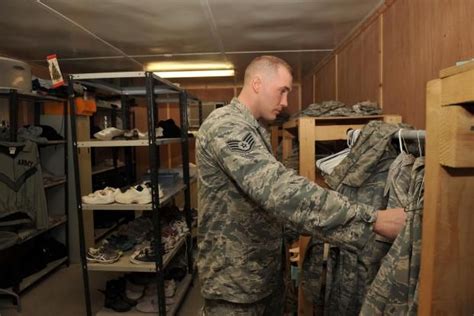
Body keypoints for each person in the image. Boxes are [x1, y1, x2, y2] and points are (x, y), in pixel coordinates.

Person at [196, 55, 406, 316]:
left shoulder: (255, 128)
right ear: (257, 83)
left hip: (261, 276)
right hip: (234, 287)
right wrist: (371, 220)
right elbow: (278, 189)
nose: (285, 103)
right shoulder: (226, 126)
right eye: (282, 91)